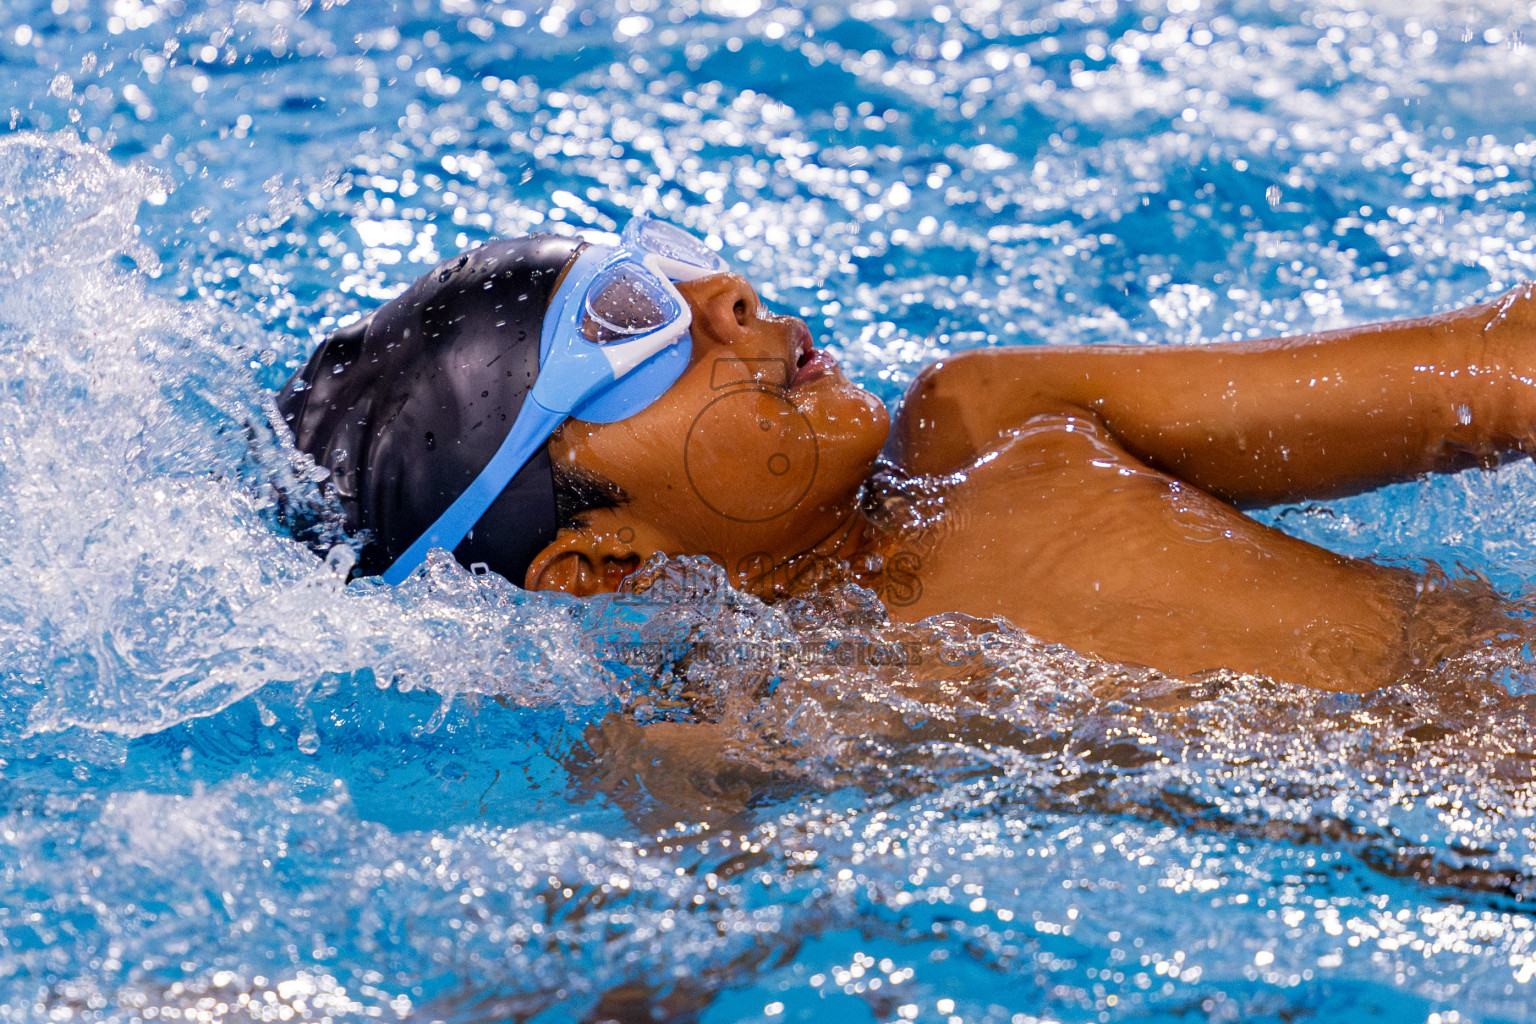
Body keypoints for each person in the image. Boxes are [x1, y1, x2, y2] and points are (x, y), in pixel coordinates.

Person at [277, 215, 1533, 695]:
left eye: (671, 270)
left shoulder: (993, 420)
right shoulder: (748, 721)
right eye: (628, 335)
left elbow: (1493, 374)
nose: (727, 298)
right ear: (598, 563)